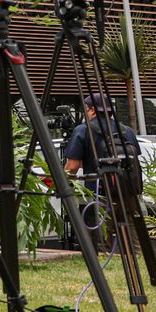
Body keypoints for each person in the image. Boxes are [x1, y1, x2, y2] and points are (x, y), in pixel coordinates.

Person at [62, 94, 141, 245]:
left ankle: (107, 260)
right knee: (131, 233)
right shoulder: (126, 130)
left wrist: (61, 181)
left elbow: (72, 166)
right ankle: (134, 258)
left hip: (100, 193)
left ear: (92, 110)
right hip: (128, 192)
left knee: (104, 234)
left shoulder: (83, 130)